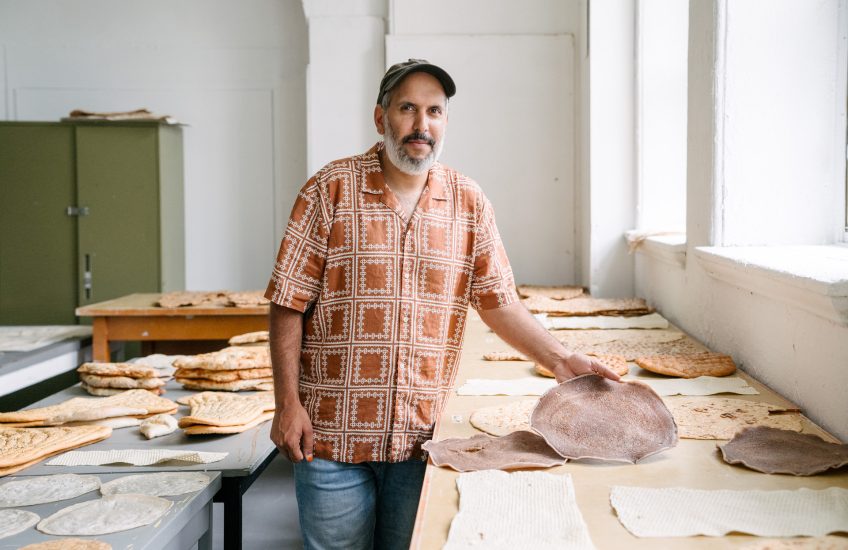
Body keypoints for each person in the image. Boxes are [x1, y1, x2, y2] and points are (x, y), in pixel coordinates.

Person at [265, 58, 620, 550]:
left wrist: (562, 361)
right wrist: (286, 404)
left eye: (434, 111)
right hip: (330, 436)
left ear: (445, 122)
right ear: (380, 117)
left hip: (422, 437)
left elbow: (499, 304)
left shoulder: (467, 201)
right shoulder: (331, 190)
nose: (421, 124)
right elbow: (288, 303)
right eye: (407, 108)